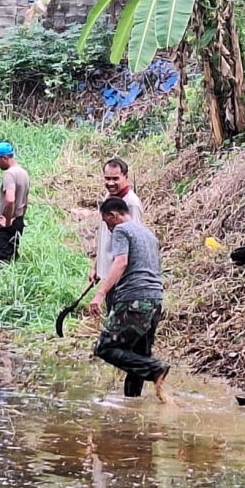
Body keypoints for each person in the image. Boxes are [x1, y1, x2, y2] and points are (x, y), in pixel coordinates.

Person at [88, 197, 170, 402]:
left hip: (134, 299)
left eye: (107, 221)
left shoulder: (121, 230)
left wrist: (100, 293)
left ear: (114, 216)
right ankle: (132, 403)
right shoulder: (148, 233)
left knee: (104, 347)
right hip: (155, 299)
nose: (108, 226)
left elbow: (121, 261)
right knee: (139, 354)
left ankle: (155, 369)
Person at [89, 158, 147, 396]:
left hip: (122, 280)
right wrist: (96, 266)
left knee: (126, 337)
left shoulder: (131, 204)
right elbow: (104, 237)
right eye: (107, 178)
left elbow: (133, 244)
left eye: (115, 178)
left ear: (126, 177)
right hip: (108, 275)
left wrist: (106, 287)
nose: (110, 183)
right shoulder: (108, 200)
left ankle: (139, 381)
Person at [0, 141, 30, 264]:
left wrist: (6, 220)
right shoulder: (23, 172)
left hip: (8, 224)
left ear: (4, 158)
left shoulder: (9, 174)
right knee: (11, 257)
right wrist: (19, 219)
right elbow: (25, 200)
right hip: (18, 220)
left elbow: (10, 199)